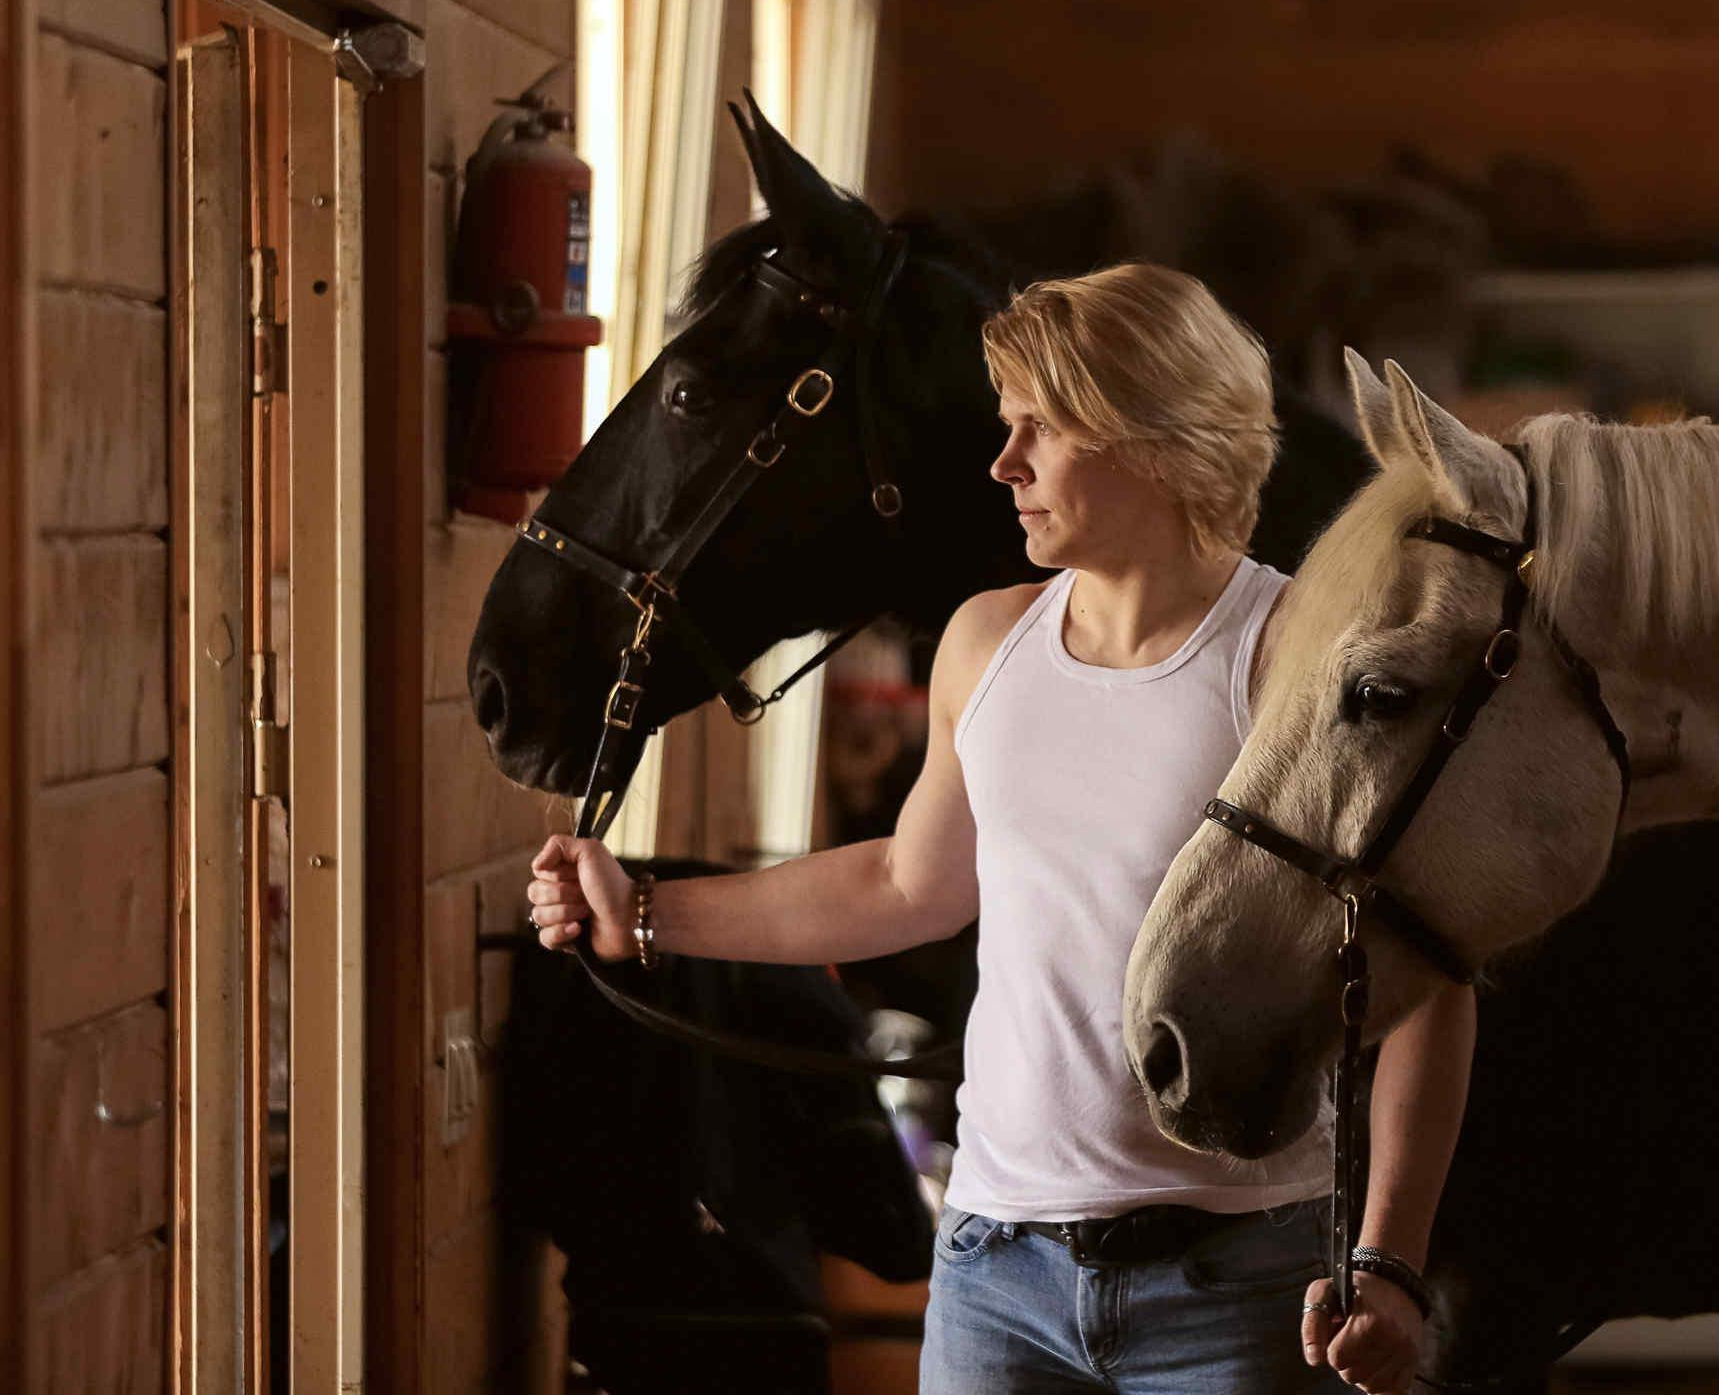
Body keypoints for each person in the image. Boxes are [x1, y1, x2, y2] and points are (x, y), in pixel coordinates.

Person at [527, 263, 1477, 1394]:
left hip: (1239, 1280)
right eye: (1004, 426)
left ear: (1150, 435)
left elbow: (1431, 973)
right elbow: (902, 882)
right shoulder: (986, 642)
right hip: (995, 1273)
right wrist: (639, 910)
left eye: (1040, 429)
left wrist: (1390, 1263)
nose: (1003, 464)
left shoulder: (1297, 656)